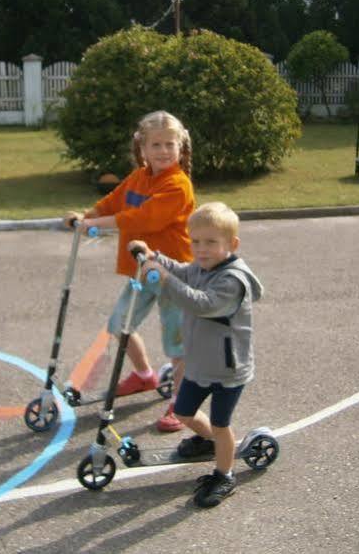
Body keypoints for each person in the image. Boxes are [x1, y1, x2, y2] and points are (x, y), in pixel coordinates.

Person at [64, 110, 195, 432]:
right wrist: (87, 215)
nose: (163, 151)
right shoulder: (139, 177)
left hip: (172, 273)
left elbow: (140, 219)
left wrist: (95, 225)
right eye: (156, 145)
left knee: (177, 343)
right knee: (119, 324)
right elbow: (114, 202)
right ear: (143, 147)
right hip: (141, 272)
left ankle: (182, 403)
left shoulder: (178, 185)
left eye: (169, 145)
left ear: (180, 147)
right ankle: (143, 375)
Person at [129, 201, 263, 508]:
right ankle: (208, 443)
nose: (201, 249)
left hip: (228, 370)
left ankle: (225, 474)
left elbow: (201, 304)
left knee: (221, 423)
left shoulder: (232, 281)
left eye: (211, 242)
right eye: (196, 242)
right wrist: (154, 257)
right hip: (200, 363)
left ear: (232, 244)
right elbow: (180, 270)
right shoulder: (201, 267)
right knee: (184, 412)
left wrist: (163, 278)